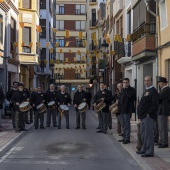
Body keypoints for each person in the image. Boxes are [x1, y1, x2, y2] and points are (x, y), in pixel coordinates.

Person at [137, 76, 159, 157]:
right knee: (143, 134)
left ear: (152, 81)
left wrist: (148, 114)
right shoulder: (147, 90)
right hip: (143, 116)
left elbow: (155, 104)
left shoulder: (153, 91)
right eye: (145, 80)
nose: (146, 82)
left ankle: (149, 152)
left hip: (148, 117)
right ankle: (144, 149)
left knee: (148, 134)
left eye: (148, 80)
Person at [118, 78, 136, 144]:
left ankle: (127, 138)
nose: (125, 83)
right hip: (121, 109)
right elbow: (120, 99)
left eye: (126, 82)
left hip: (127, 109)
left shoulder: (131, 89)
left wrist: (126, 89)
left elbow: (131, 96)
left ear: (128, 83)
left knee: (127, 124)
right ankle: (124, 137)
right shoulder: (122, 90)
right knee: (123, 124)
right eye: (124, 82)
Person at [157, 76, 170, 148]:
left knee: (163, 127)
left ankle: (164, 142)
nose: (159, 84)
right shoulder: (163, 89)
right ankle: (161, 140)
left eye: (160, 82)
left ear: (164, 83)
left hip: (164, 110)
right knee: (160, 127)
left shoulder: (166, 89)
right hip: (161, 110)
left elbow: (159, 97)